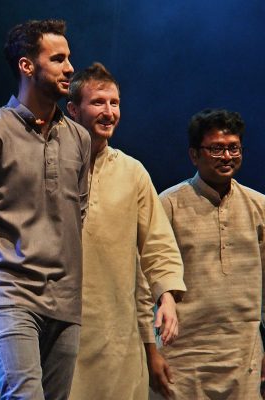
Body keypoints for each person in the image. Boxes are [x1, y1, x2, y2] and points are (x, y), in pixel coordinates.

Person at [0, 19, 90, 399]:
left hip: (65, 299)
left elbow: (78, 214)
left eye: (69, 58)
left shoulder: (79, 138)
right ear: (27, 66)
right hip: (8, 295)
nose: (70, 68)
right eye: (58, 59)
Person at [147, 109, 265, 399]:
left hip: (243, 358)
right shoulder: (169, 204)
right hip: (182, 358)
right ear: (194, 155)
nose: (226, 156)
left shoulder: (259, 205)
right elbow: (147, 278)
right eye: (216, 148)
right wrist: (151, 354)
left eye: (233, 148)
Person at [65, 62, 186, 399]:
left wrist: (167, 297)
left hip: (118, 338)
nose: (109, 112)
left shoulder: (132, 172)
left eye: (114, 103)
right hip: (62, 331)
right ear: (73, 110)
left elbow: (157, 244)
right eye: (98, 102)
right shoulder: (49, 165)